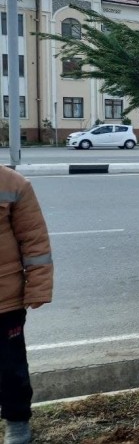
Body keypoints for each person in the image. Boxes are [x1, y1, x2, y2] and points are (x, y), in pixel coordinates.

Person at [0, 166, 53, 444]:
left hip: (5, 300)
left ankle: (17, 421)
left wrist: (38, 287)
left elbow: (34, 240)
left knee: (10, 368)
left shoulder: (13, 184)